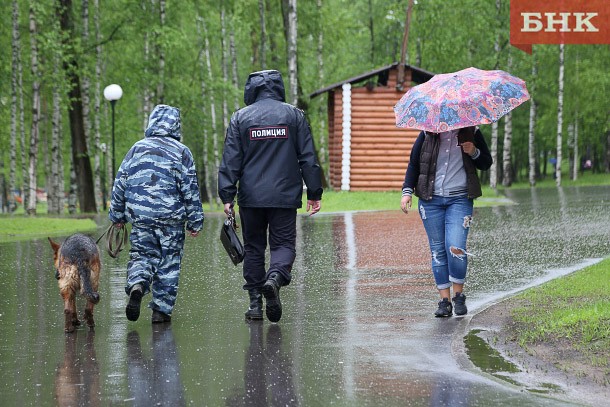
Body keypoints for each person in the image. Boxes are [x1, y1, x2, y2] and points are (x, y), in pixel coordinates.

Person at [218, 69, 323, 323]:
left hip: (251, 197)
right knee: (283, 245)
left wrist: (227, 195)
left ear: (251, 89)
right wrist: (314, 191)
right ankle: (274, 278)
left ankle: (255, 305)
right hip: (284, 196)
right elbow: (307, 157)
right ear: (278, 87)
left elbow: (231, 159)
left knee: (253, 248)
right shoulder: (294, 115)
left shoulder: (240, 118)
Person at [109, 104, 204, 324]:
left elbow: (120, 183)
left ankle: (138, 284)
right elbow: (190, 188)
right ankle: (160, 312)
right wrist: (195, 220)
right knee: (169, 263)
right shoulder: (182, 152)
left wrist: (117, 216)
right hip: (171, 220)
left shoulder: (136, 149)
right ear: (176, 125)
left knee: (142, 256)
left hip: (141, 219)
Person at [400, 126, 492, 317]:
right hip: (430, 201)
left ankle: (458, 296)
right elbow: (414, 164)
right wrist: (407, 191)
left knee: (456, 247)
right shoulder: (428, 133)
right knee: (438, 250)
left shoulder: (472, 131)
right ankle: (445, 302)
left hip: (460, 199)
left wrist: (474, 152)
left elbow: (486, 163)